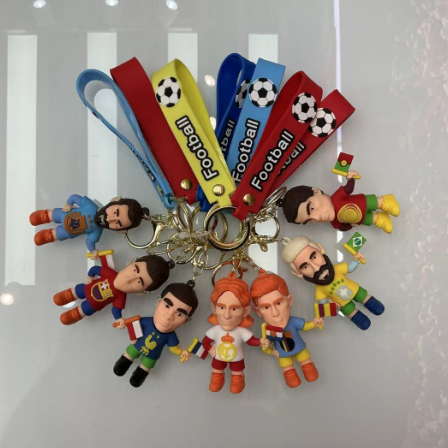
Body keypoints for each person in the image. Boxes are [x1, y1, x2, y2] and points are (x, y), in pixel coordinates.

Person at [282, 236, 385, 330]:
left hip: (357, 291)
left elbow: (349, 268)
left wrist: (356, 261)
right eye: (305, 267)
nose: (316, 268)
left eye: (314, 257)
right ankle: (358, 317)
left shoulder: (337, 269)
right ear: (298, 274)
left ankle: (370, 303)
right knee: (357, 317)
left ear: (321, 249)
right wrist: (331, 307)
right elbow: (322, 306)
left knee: (372, 303)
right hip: (343, 305)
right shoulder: (320, 289)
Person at [113, 283, 199, 388]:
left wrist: (181, 352)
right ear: (158, 302)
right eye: (167, 306)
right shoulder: (146, 321)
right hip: (136, 346)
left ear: (186, 321)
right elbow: (133, 324)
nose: (169, 316)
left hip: (151, 357)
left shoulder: (170, 336)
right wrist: (123, 323)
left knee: (144, 368)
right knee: (127, 357)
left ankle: (139, 375)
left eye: (179, 314)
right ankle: (124, 362)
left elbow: (173, 348)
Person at [53, 254, 174, 326]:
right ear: (132, 262)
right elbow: (95, 269)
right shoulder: (110, 273)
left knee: (81, 311)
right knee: (74, 291)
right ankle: (68, 295)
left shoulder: (121, 297)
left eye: (139, 282)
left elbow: (116, 310)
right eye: (135, 269)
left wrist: (119, 319)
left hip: (93, 305)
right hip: (85, 288)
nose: (130, 278)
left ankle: (74, 314)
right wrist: (89, 276)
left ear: (142, 292)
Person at [250, 271, 323, 389]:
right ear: (258, 311)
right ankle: (291, 378)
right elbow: (265, 347)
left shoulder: (293, 322)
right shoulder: (268, 331)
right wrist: (270, 350)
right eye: (266, 307)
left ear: (289, 301)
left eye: (278, 303)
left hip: (300, 349)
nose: (275, 313)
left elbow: (306, 326)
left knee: (308, 365)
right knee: (288, 371)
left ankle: (309, 370)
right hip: (283, 355)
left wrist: (314, 323)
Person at [201, 273, 269, 394]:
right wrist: (210, 350)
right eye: (222, 308)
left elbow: (251, 341)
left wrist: (260, 341)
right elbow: (205, 342)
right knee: (217, 369)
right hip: (219, 357)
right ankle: (217, 378)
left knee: (237, 371)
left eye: (234, 309)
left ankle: (237, 380)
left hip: (237, 358)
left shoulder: (241, 331)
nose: (227, 315)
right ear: (214, 308)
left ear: (245, 311)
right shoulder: (216, 330)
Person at [281, 170, 400, 234]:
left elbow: (348, 189)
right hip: (360, 219)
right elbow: (342, 228)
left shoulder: (336, 198)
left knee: (373, 202)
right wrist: (350, 225)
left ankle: (386, 201)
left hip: (362, 202)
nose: (316, 218)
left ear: (316, 191)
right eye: (309, 220)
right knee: (370, 219)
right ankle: (380, 219)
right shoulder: (334, 222)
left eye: (311, 208)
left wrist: (351, 179)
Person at [29, 195, 148, 259]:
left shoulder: (97, 232)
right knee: (49, 215)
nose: (109, 219)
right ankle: (44, 216)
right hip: (63, 213)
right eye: (115, 212)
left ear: (120, 231)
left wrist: (93, 251)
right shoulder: (91, 206)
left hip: (66, 233)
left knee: (52, 235)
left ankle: (48, 236)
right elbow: (75, 197)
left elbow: (89, 242)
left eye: (118, 223)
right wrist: (68, 203)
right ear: (115, 200)